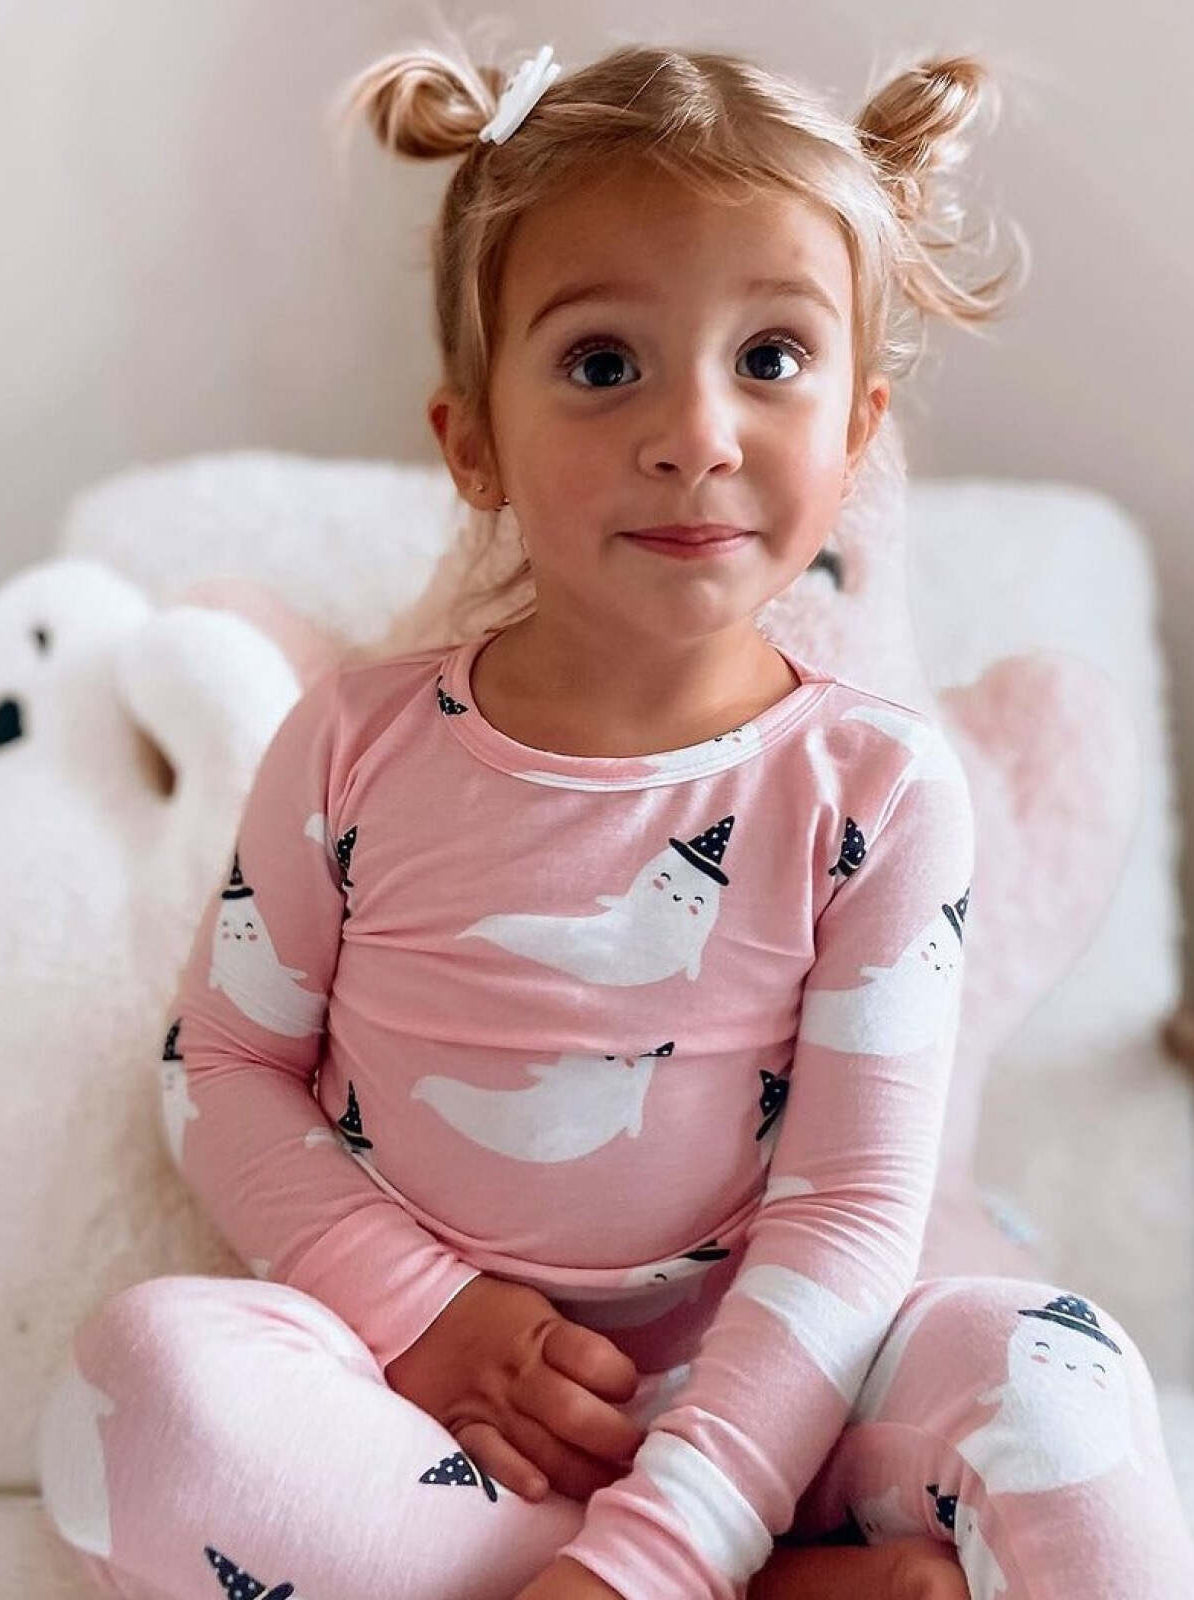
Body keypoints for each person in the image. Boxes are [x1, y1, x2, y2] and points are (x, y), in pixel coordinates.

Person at [36, 30, 1194, 1600]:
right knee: (141, 1398)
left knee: (1064, 1378)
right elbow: (224, 1065)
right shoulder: (351, 744)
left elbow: (853, 1210)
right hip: (432, 1418)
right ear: (474, 446)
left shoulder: (879, 786)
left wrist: (677, 1531)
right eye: (601, 365)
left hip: (788, 1399)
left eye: (769, 359)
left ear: (855, 436)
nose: (694, 432)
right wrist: (422, 1312)